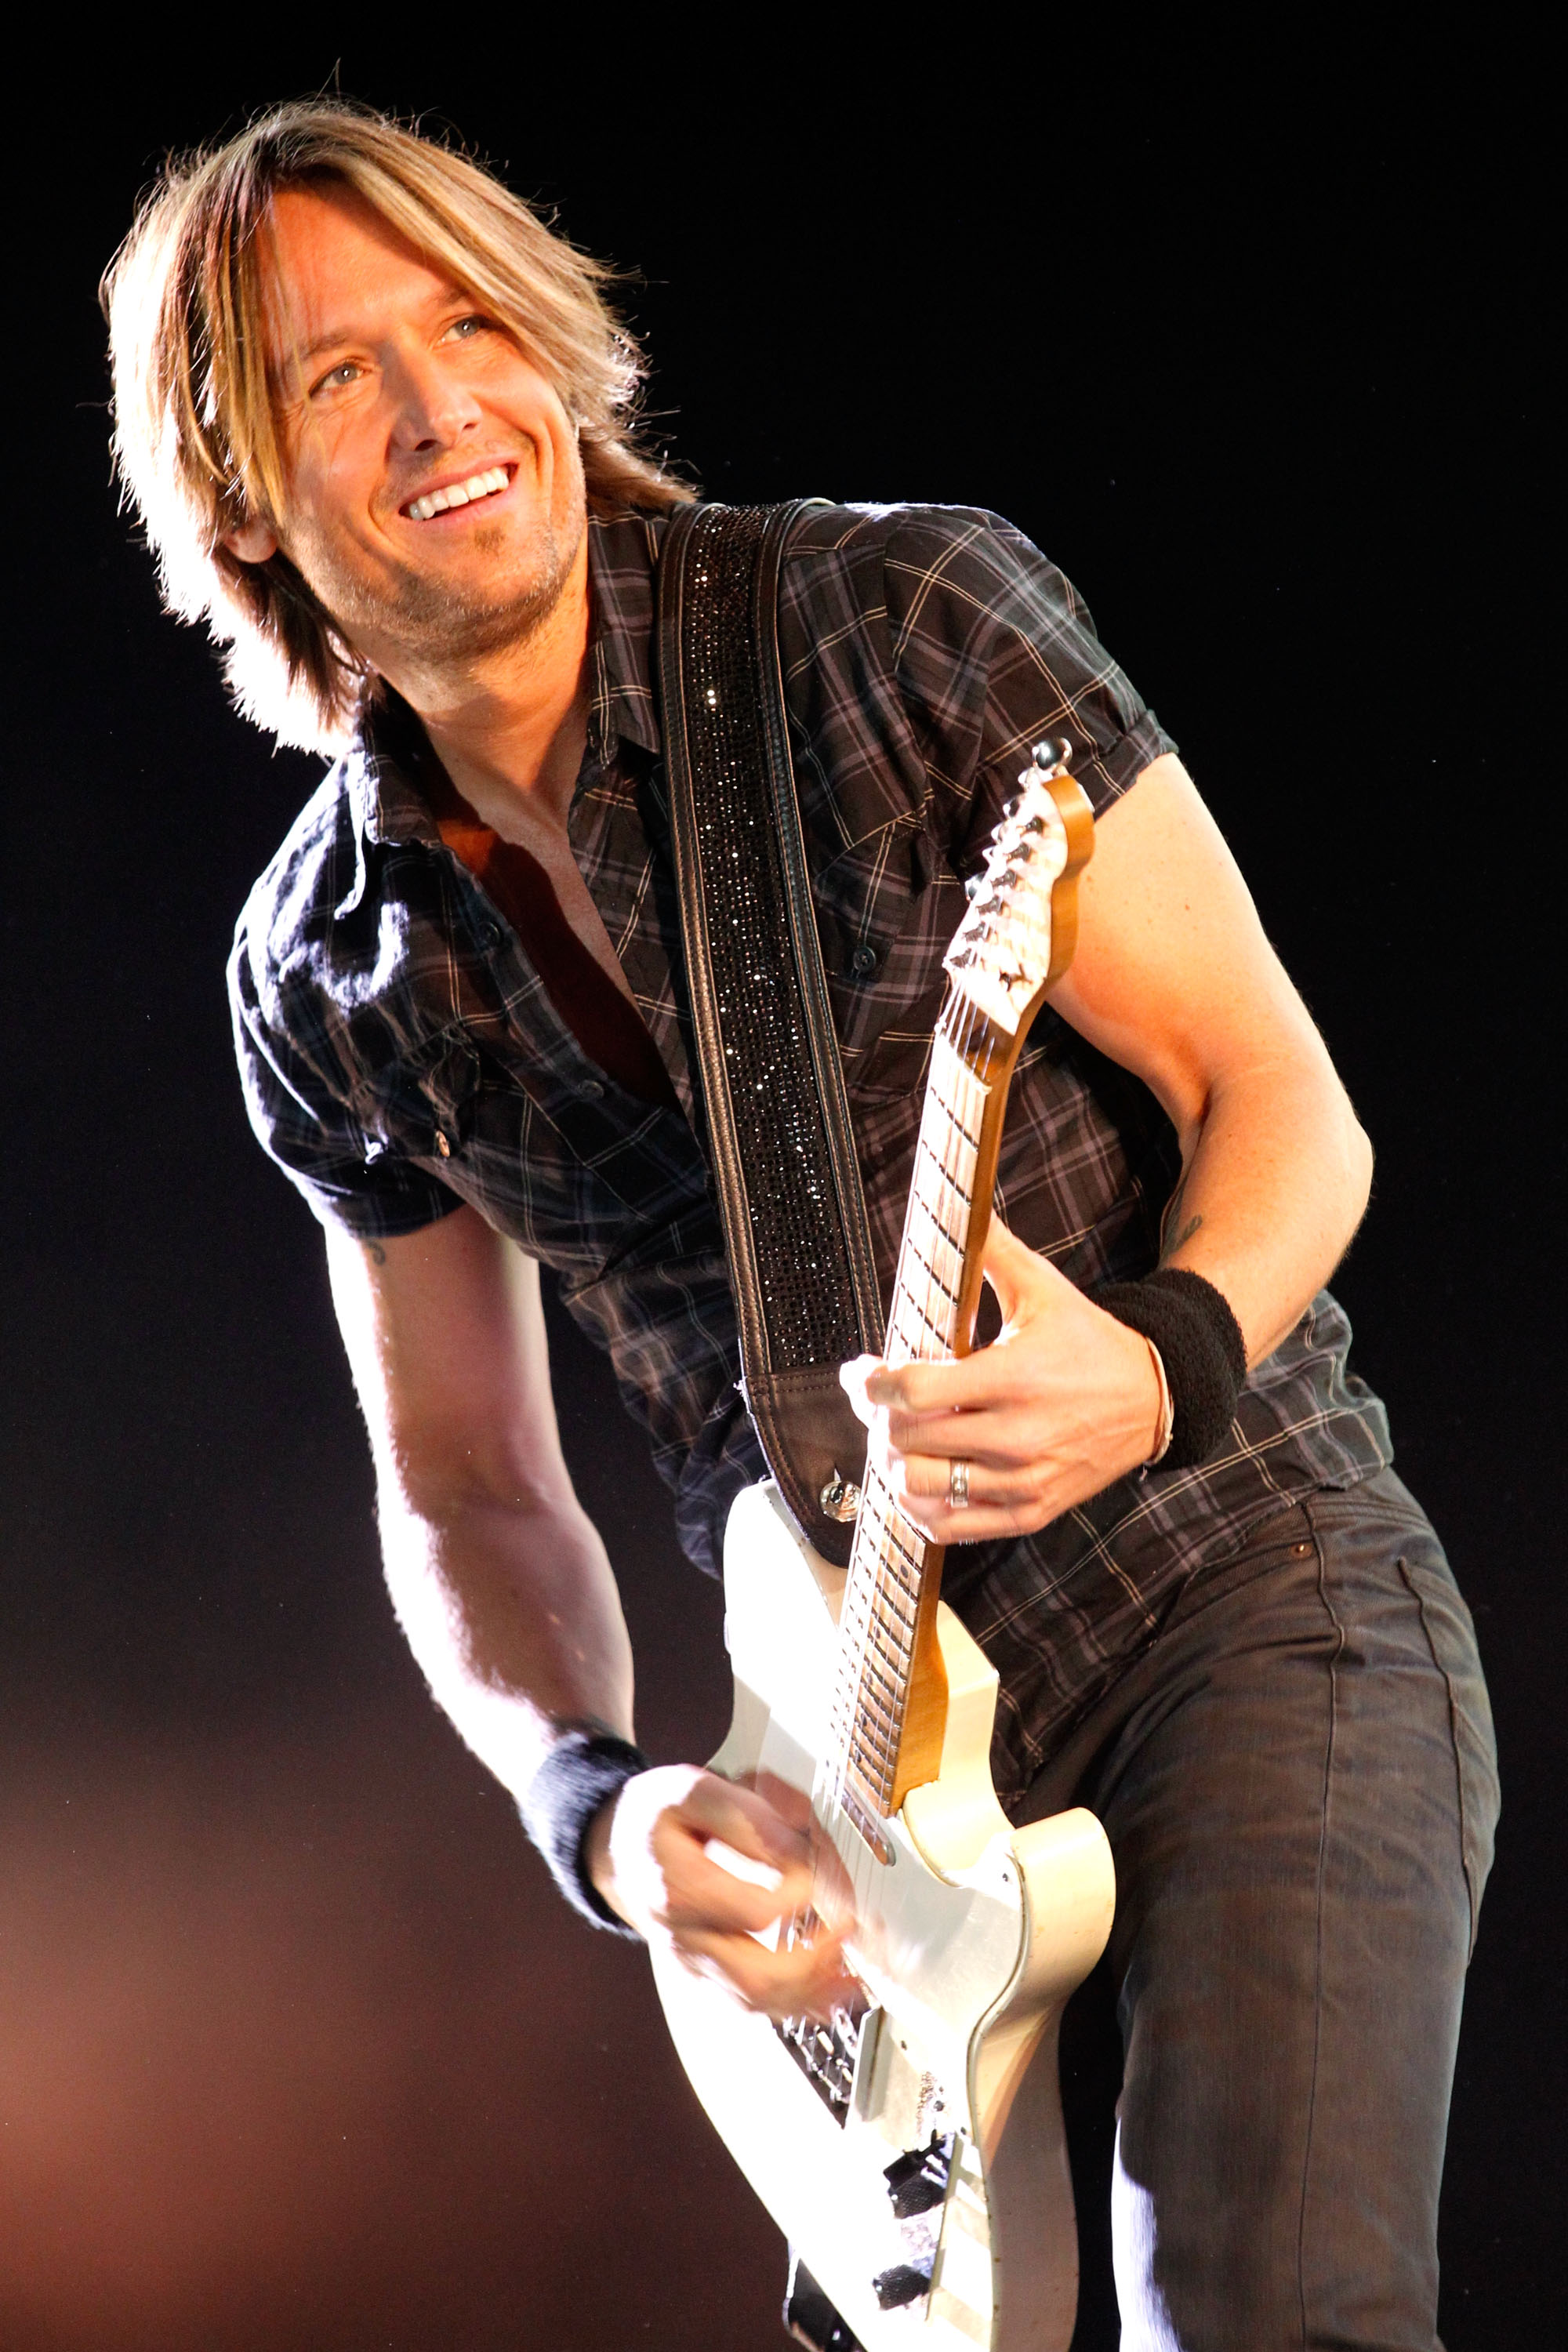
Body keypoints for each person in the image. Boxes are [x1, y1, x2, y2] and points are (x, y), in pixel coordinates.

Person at [101, 100, 1498, 2350]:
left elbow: (1286, 1104)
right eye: (335, 374)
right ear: (240, 483)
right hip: (853, 1772)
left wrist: (1154, 1356)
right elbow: (462, 1481)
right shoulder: (327, 972)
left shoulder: (894, 618)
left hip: (1234, 1580)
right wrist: (595, 1798)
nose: (445, 407)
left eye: (472, 323)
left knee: (1261, 2312)